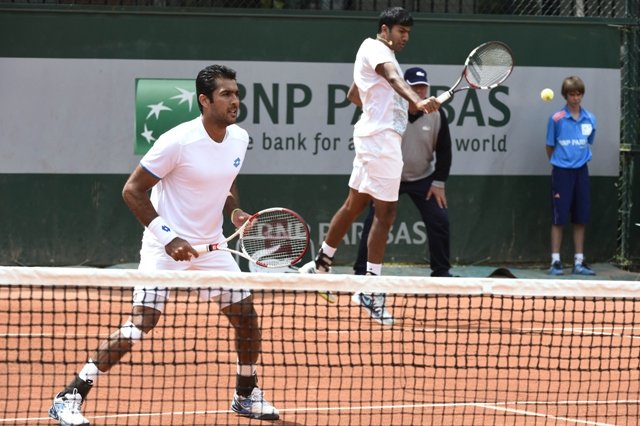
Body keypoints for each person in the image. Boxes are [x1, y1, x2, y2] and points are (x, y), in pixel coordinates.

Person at [48, 65, 279, 426]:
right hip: (164, 244)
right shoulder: (178, 141)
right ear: (205, 100)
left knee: (246, 318)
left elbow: (226, 183)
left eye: (236, 93)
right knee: (142, 323)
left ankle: (246, 394)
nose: (235, 100)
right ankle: (70, 395)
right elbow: (132, 190)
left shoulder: (239, 138)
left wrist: (233, 212)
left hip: (213, 247)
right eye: (226, 94)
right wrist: (169, 236)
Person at [299, 7, 440, 326]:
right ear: (385, 28)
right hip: (380, 142)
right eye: (401, 31)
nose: (405, 38)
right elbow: (391, 78)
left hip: (374, 136)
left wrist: (398, 110)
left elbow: (354, 94)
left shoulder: (375, 51)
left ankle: (321, 263)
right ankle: (370, 288)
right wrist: (414, 102)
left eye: (408, 33)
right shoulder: (377, 49)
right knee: (386, 213)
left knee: (354, 204)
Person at [353, 67, 453, 278]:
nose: (419, 90)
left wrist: (439, 182)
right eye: (414, 87)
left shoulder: (437, 115)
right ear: (403, 89)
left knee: (439, 219)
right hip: (390, 178)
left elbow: (444, 151)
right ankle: (362, 272)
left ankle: (441, 273)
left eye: (422, 87)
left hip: (422, 178)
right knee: (374, 220)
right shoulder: (389, 111)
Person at [545, 75, 596, 276]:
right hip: (561, 173)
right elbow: (550, 146)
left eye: (579, 94)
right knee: (558, 219)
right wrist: (559, 164)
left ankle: (579, 262)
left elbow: (589, 142)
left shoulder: (590, 119)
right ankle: (555, 262)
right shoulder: (556, 119)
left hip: (581, 172)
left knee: (580, 218)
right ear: (565, 96)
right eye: (572, 94)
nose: (576, 98)